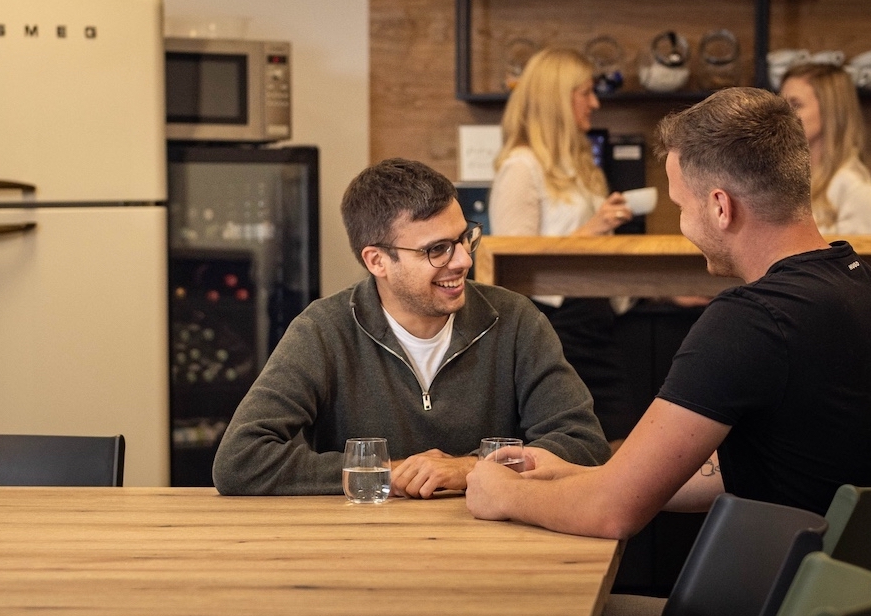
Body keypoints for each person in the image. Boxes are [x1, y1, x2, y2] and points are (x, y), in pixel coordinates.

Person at [466, 85, 871, 616]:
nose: (682, 224)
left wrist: (496, 492)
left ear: (720, 206)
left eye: (680, 206)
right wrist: (580, 474)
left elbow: (613, 515)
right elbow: (742, 472)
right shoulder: (866, 291)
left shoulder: (753, 320)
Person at [213, 157, 610, 498]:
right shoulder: (323, 331)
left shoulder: (516, 320)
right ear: (377, 261)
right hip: (360, 553)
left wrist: (472, 468)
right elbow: (241, 459)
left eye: (464, 239)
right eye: (436, 250)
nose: (462, 261)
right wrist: (389, 472)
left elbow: (583, 444)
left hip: (492, 547)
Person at [490, 48, 639, 439]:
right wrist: (592, 228)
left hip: (597, 320)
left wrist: (671, 292)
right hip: (556, 328)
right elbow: (510, 266)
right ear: (557, 98)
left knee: (617, 437)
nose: (595, 103)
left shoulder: (583, 168)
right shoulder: (521, 168)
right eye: (585, 92)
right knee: (578, 440)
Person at [778, 62, 871, 237]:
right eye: (781, 105)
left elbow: (855, 263)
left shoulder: (857, 190)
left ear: (830, 111)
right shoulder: (781, 181)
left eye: (795, 104)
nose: (781, 116)